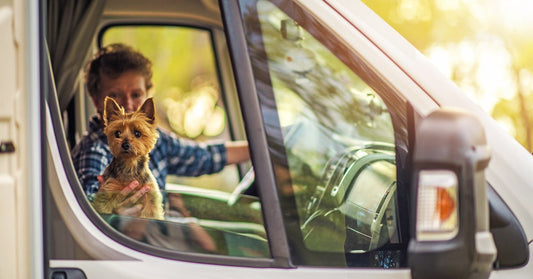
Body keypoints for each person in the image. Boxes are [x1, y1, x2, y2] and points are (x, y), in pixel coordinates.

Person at [71, 43, 250, 217]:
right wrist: (106, 209)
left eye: (136, 95)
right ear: (97, 101)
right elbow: (89, 203)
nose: (128, 104)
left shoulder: (158, 141)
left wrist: (260, 149)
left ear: (148, 95)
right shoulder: (93, 151)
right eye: (116, 97)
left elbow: (203, 156)